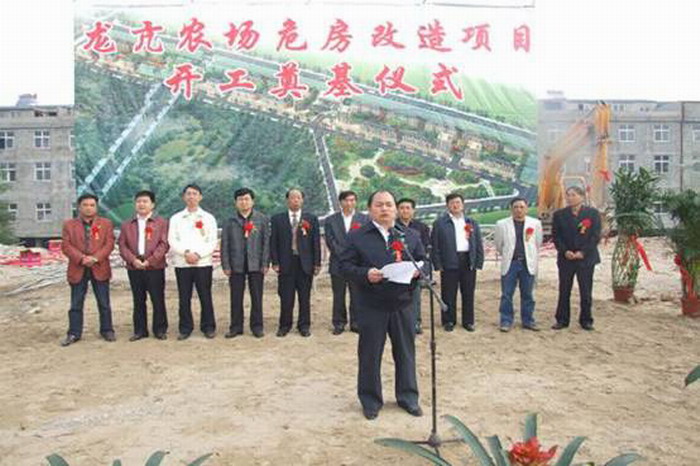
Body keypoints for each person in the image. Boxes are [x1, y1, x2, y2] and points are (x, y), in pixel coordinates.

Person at [340, 190, 427, 420]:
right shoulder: (357, 237)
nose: (385, 209)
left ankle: (408, 397)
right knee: (370, 354)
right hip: (371, 305)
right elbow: (344, 267)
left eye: (389, 204)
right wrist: (365, 273)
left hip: (403, 304)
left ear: (395, 209)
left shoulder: (409, 235)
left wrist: (418, 272)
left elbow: (424, 262)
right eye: (379, 205)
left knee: (406, 353)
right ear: (370, 209)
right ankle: (370, 401)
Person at [60, 193, 116, 346]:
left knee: (104, 302)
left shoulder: (106, 223)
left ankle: (107, 330)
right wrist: (82, 258)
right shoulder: (69, 224)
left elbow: (109, 244)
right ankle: (74, 333)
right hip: (78, 267)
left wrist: (95, 258)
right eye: (85, 205)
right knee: (76, 303)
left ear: (96, 207)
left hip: (99, 266)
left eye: (92, 205)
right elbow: (66, 246)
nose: (89, 208)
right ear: (79, 207)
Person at [118, 190, 170, 341]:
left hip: (155, 267)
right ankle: (140, 330)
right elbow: (122, 245)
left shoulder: (161, 222)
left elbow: (164, 244)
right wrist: (133, 260)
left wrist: (150, 261)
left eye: (145, 201)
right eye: (139, 201)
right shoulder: (127, 224)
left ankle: (160, 329)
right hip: (134, 267)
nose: (141, 204)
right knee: (138, 299)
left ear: (152, 204)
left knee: (157, 299)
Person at [168, 184, 218, 340]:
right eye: (188, 194)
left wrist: (198, 254)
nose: (191, 196)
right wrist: (186, 253)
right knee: (184, 297)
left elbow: (212, 241)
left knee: (205, 296)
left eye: (195, 193)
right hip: (182, 263)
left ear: (200, 197)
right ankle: (185, 328)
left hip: (203, 263)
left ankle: (208, 327)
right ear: (184, 197)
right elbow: (172, 240)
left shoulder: (208, 218)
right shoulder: (176, 218)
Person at [270, 188, 321, 337]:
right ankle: (284, 325)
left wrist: (317, 263)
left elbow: (316, 242)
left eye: (298, 197)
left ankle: (304, 325)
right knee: (286, 296)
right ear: (287, 200)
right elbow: (274, 242)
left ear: (302, 200)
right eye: (292, 197)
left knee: (304, 297)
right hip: (286, 262)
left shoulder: (311, 219)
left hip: (305, 263)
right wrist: (275, 262)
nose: (295, 200)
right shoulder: (278, 219)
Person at [221, 188, 270, 339]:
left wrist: (265, 263)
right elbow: (224, 244)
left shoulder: (261, 219)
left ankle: (257, 326)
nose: (244, 202)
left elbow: (266, 243)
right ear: (236, 202)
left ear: (252, 201)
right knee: (236, 297)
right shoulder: (229, 221)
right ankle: (236, 327)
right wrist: (226, 265)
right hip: (236, 264)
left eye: (247, 199)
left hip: (256, 263)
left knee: (257, 297)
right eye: (240, 199)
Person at [431, 193, 484, 332]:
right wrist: (437, 264)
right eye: (452, 203)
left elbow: (478, 243)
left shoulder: (471, 222)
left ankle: (468, 321)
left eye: (458, 202)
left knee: (468, 293)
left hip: (468, 260)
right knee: (448, 293)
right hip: (449, 261)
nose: (455, 205)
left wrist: (478, 261)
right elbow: (435, 245)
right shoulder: (440, 223)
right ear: (447, 205)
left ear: (463, 205)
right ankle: (449, 320)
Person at [551, 186, 602, 331]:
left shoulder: (592, 214)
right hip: (566, 258)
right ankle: (562, 319)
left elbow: (595, 236)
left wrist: (583, 252)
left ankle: (586, 320)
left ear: (581, 197)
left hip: (585, 259)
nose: (570, 198)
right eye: (568, 195)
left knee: (586, 291)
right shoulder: (559, 215)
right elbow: (556, 236)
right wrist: (565, 251)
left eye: (573, 195)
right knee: (564, 290)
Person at [494, 197, 543, 332]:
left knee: (528, 294)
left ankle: (528, 320)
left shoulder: (535, 224)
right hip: (511, 263)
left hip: (527, 263)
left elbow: (537, 243)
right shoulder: (502, 224)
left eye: (521, 207)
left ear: (526, 208)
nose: (518, 210)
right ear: (511, 209)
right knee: (507, 294)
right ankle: (506, 320)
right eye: (515, 207)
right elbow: (499, 244)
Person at [324, 190, 369, 335]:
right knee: (338, 295)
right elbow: (330, 241)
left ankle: (356, 323)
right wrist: (344, 255)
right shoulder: (331, 220)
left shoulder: (364, 219)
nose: (349, 203)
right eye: (346, 200)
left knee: (356, 295)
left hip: (356, 265)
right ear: (341, 202)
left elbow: (366, 240)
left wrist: (353, 256)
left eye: (352, 200)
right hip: (338, 263)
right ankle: (339, 323)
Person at [396, 197, 431, 334]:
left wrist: (421, 269)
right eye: (401, 208)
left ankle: (416, 322)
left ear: (413, 210)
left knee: (415, 299)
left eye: (408, 208)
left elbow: (424, 251)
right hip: (397, 268)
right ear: (397, 210)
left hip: (414, 270)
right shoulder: (392, 227)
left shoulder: (421, 228)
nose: (405, 211)